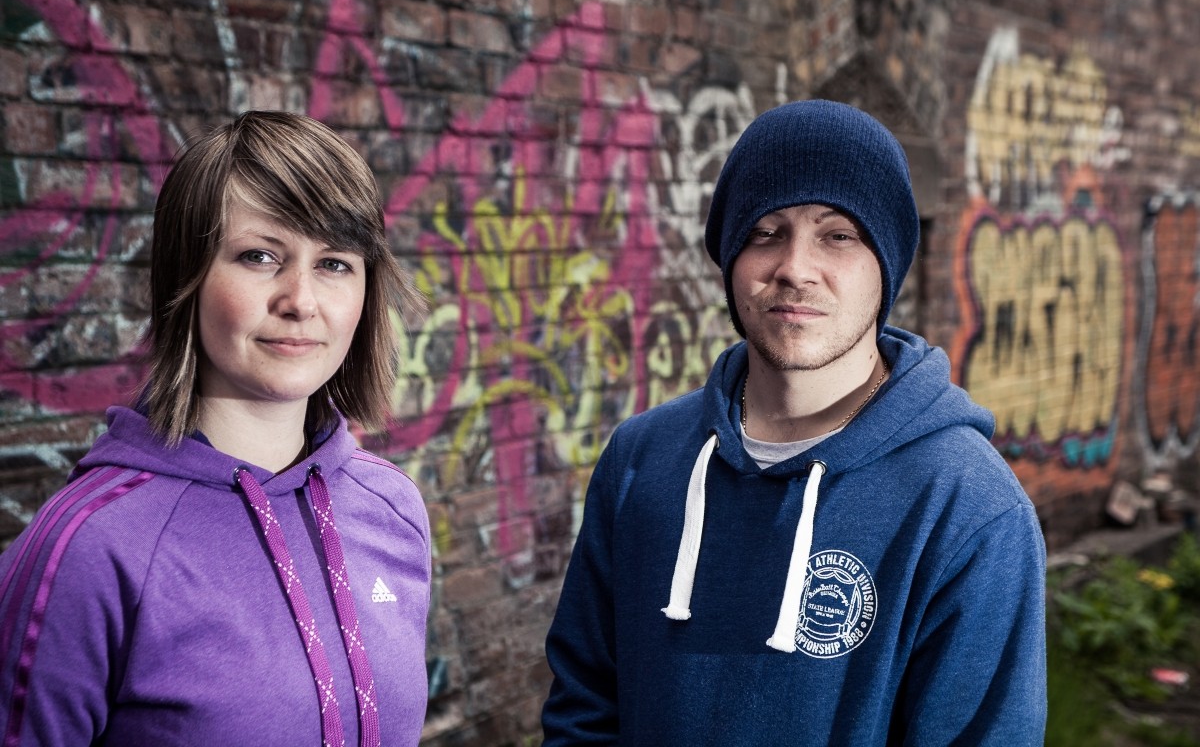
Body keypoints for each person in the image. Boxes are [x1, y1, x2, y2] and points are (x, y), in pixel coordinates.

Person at [541, 100, 1047, 745]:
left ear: (886, 264)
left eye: (838, 235)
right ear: (730, 258)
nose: (794, 269)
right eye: (765, 233)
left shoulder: (968, 505)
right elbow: (583, 707)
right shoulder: (642, 458)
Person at [0, 111, 431, 746]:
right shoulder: (90, 548)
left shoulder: (391, 506)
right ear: (187, 276)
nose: (300, 300)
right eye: (260, 256)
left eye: (334, 263)